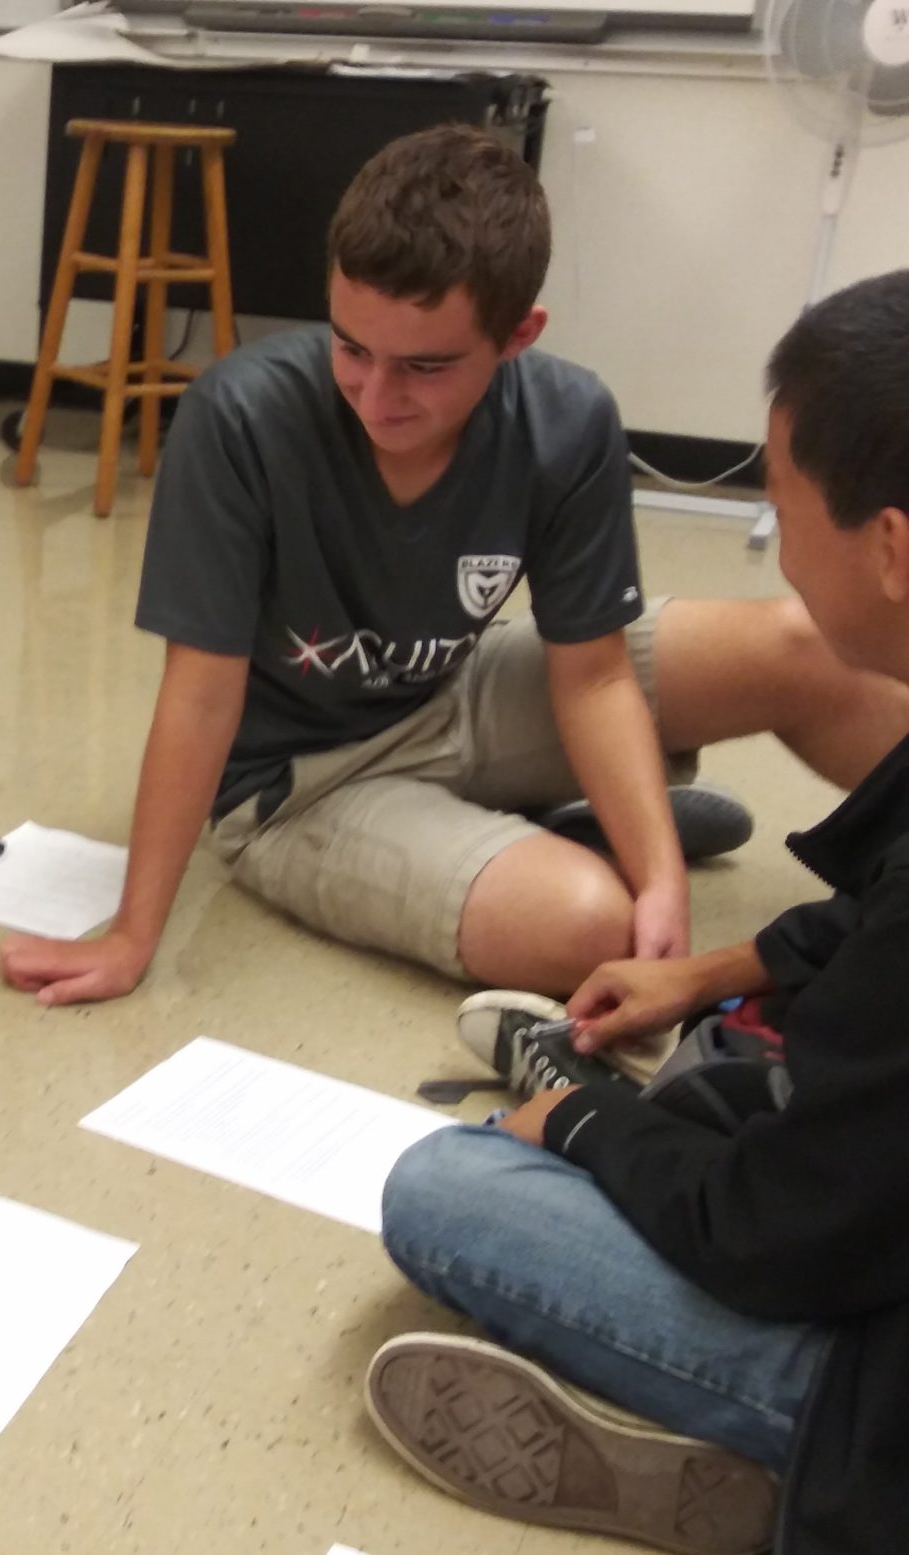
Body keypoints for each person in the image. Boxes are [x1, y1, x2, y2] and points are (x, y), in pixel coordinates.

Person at [0, 125, 909, 1009]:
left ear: (518, 335)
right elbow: (200, 696)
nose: (376, 396)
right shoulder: (239, 419)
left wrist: (662, 875)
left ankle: (592, 826)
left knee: (804, 651)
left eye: (424, 366)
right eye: (351, 347)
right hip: (305, 784)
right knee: (591, 924)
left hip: (455, 688)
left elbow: (591, 678)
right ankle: (557, 834)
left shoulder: (569, 417)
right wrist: (130, 934)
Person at [368, 269, 909, 1555]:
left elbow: (773, 1235)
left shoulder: (559, 425)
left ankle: (744, 1453)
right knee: (721, 1073)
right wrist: (716, 969)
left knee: (447, 1186)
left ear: (890, 545)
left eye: (777, 502)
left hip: (870, 1387)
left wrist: (589, 1123)